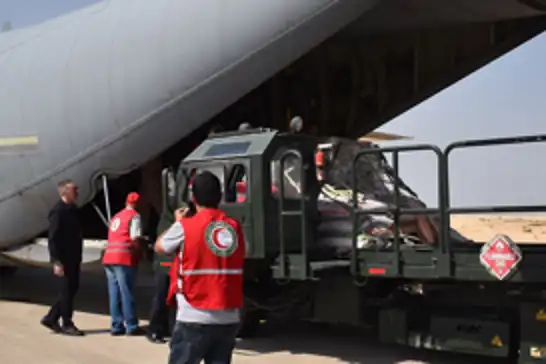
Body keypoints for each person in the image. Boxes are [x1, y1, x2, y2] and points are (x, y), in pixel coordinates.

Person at [155, 171, 245, 364]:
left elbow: (160, 246)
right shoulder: (234, 228)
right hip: (228, 315)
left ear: (193, 198)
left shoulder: (186, 227)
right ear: (220, 196)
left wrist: (178, 222)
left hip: (194, 313)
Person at [41, 179, 85, 336]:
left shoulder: (73, 209)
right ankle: (67, 323)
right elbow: (53, 238)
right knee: (66, 290)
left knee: (72, 288)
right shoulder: (58, 211)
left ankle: (51, 317)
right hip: (64, 258)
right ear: (65, 192)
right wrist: (56, 261)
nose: (77, 192)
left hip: (74, 257)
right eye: (75, 190)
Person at [102, 192, 145, 336]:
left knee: (114, 293)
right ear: (138, 204)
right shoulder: (134, 216)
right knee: (127, 292)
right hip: (123, 258)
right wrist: (141, 252)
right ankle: (131, 325)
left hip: (109, 257)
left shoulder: (117, 216)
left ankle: (116, 325)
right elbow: (135, 239)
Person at [146, 211, 176, 344]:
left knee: (173, 301)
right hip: (164, 265)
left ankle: (169, 329)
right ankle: (154, 329)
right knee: (161, 298)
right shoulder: (167, 221)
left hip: (173, 266)